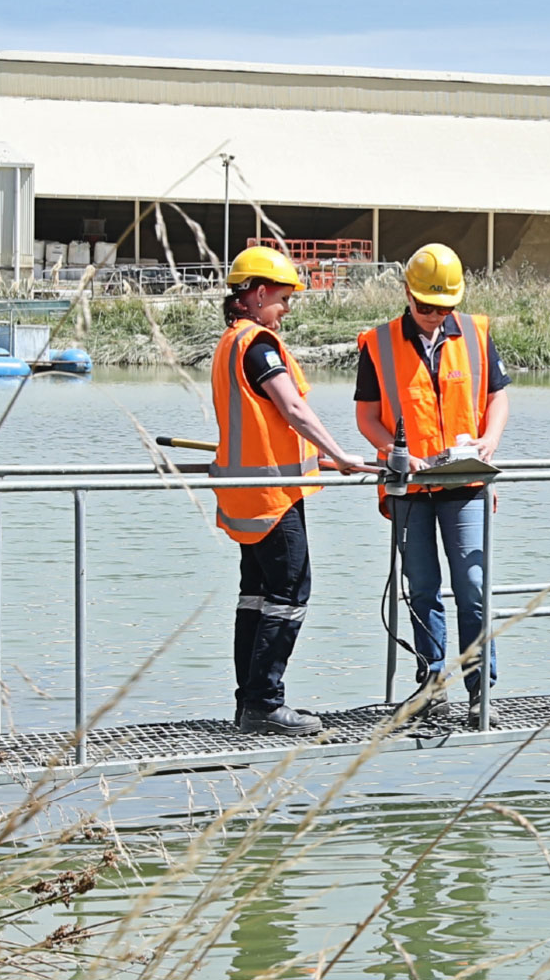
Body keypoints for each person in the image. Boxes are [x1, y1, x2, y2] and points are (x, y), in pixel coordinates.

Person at [212, 245, 375, 736]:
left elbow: (264, 425)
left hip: (246, 491)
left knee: (257, 597)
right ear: (258, 294)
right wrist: (341, 452)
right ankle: (265, 703)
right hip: (271, 496)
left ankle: (249, 702)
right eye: (283, 299)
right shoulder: (258, 345)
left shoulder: (230, 342)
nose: (285, 309)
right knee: (290, 592)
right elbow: (293, 410)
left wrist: (319, 458)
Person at [355, 243, 510, 721]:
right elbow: (366, 418)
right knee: (422, 587)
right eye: (425, 306)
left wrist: (489, 439)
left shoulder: (476, 335)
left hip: (466, 484)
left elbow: (498, 398)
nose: (433, 315)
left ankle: (480, 688)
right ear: (407, 293)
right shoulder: (378, 344)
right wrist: (397, 453)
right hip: (412, 489)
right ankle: (431, 682)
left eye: (444, 307)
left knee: (473, 586)